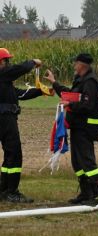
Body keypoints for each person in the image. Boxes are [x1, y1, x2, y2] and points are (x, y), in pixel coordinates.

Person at [45, 53, 98, 205]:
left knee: (87, 162)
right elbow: (70, 95)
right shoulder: (81, 80)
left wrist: (69, 105)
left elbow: (88, 105)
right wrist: (54, 83)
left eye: (76, 63)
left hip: (85, 127)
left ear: (82, 65)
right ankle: (86, 194)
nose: (74, 66)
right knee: (77, 163)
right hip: (77, 126)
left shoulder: (91, 82)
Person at [0, 48, 44, 203]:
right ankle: (12, 192)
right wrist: (34, 62)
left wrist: (41, 91)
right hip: (5, 119)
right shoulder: (3, 74)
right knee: (15, 154)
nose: (8, 64)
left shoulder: (5, 81)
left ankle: (4, 190)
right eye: (6, 61)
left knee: (9, 155)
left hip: (5, 119)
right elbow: (21, 69)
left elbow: (20, 94)